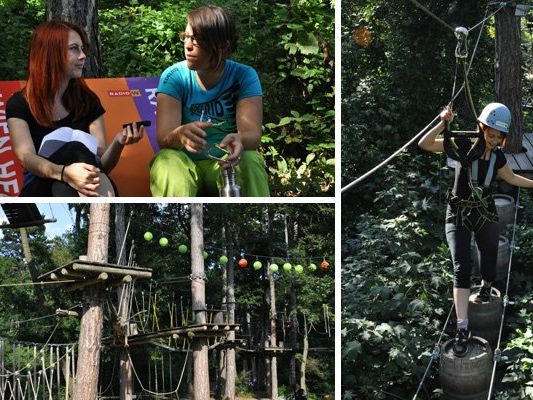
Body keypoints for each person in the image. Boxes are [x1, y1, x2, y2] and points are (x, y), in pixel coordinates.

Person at [418, 103, 533, 356]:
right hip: (458, 212)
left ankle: (485, 284)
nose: (492, 140)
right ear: (481, 128)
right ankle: (462, 327)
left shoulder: (498, 157)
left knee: (489, 252)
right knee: (461, 265)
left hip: (483, 211)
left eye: (497, 136)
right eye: (489, 133)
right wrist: (442, 123)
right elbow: (425, 144)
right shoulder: (460, 145)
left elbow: (512, 177)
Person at [6, 20, 144, 197]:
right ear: (51, 53)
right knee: (74, 149)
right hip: (40, 189)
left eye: (82, 48)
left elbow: (101, 166)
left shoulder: (87, 100)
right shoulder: (19, 103)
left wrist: (118, 142)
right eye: (74, 48)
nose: (83, 55)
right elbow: (26, 157)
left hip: (79, 189)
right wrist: (64, 173)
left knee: (69, 179)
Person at [149, 5, 269, 197]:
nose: (188, 45)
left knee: (250, 160)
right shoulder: (173, 77)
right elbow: (164, 138)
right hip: (184, 164)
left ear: (222, 45)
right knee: (166, 161)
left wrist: (239, 139)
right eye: (186, 37)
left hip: (225, 161)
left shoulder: (244, 76)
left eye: (197, 40)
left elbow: (252, 136)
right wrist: (179, 134)